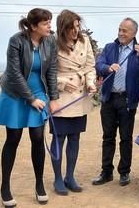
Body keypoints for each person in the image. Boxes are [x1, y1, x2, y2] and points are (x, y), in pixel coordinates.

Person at [0, 8, 59, 207]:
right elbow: (14, 73)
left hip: (38, 94)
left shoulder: (50, 42)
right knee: (13, 139)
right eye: (46, 23)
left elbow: (52, 70)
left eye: (49, 22)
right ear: (34, 26)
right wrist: (30, 99)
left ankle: (39, 185)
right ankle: (5, 187)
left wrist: (53, 98)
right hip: (16, 93)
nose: (49, 26)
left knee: (38, 138)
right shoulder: (16, 40)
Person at [92, 17, 139, 186]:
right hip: (109, 99)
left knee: (125, 138)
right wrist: (107, 68)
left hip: (127, 100)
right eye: (120, 29)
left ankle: (124, 172)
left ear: (134, 33)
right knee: (108, 137)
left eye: (125, 30)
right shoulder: (110, 47)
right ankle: (106, 172)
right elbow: (99, 63)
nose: (121, 33)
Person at [49, 10, 97, 195]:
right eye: (72, 27)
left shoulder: (84, 41)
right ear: (63, 28)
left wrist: (91, 83)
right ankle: (58, 179)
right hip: (61, 98)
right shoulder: (52, 43)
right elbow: (47, 71)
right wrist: (61, 83)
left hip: (80, 96)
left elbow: (89, 66)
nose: (76, 31)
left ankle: (70, 176)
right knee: (59, 138)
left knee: (75, 137)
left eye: (78, 26)